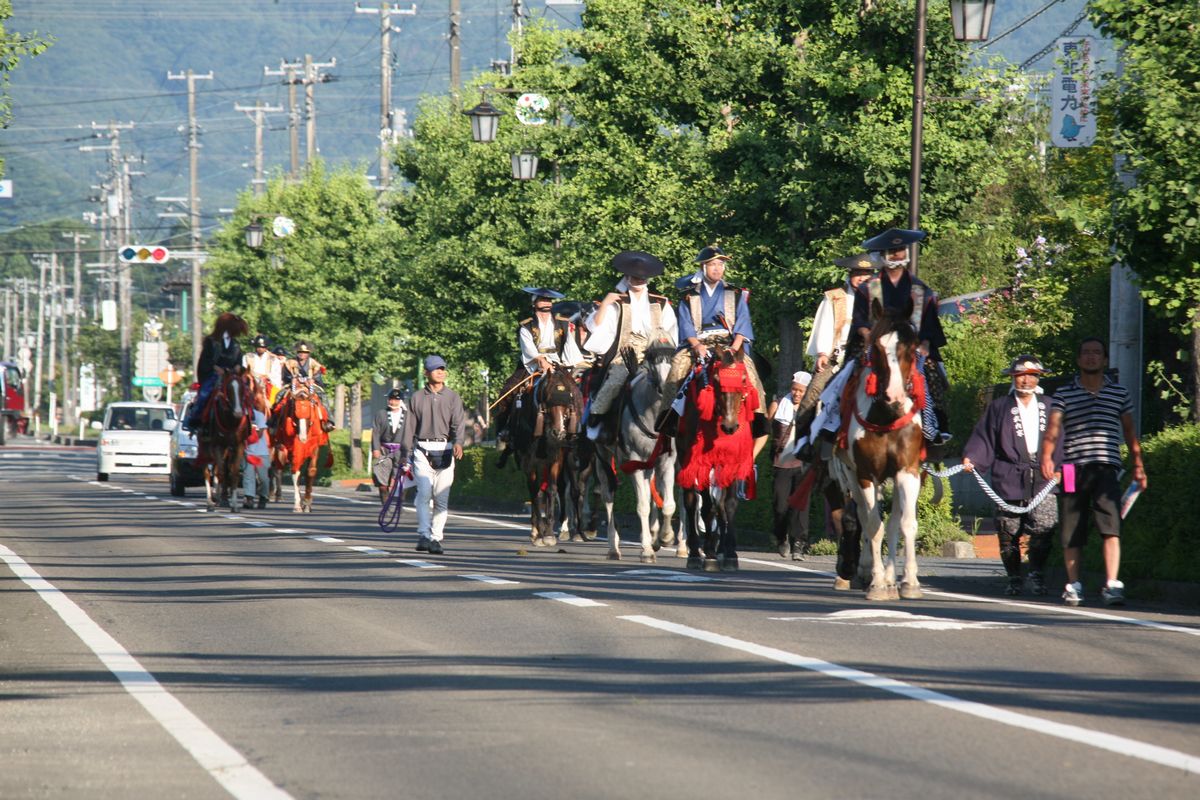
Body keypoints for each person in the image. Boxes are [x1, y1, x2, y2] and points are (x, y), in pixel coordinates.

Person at [806, 228, 948, 452]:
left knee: (934, 376)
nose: (897, 256)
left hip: (910, 347)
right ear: (883, 257)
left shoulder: (920, 289)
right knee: (837, 382)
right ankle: (828, 428)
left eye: (900, 251)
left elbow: (929, 326)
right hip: (873, 346)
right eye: (892, 252)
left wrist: (923, 345)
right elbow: (860, 324)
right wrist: (873, 338)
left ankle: (935, 429)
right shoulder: (867, 289)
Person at [1040, 338, 1147, 607]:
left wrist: (1138, 465)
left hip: (1107, 466)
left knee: (1111, 527)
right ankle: (1074, 585)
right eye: (1085, 352)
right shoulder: (1064, 393)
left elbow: (1130, 433)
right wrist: (1046, 457)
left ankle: (1112, 584)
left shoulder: (1119, 393)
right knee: (1072, 527)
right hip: (1071, 468)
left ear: (1105, 360)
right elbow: (1052, 430)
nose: (1091, 357)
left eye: (1096, 353)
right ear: (1078, 360)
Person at [962, 355, 1062, 596]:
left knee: (1045, 526)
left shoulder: (1051, 405)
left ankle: (1037, 574)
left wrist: (1062, 468)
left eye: (1031, 375)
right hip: (1009, 474)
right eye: (1021, 375)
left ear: (1039, 377)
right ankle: (1014, 578)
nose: (1026, 380)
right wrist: (972, 457)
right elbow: (984, 437)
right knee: (1008, 530)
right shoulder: (999, 407)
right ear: (1013, 377)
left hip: (1044, 475)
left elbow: (1063, 440)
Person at [583, 251, 678, 435]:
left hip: (656, 352)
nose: (638, 281)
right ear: (627, 277)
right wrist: (604, 304)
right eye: (634, 278)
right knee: (615, 380)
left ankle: (675, 421)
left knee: (673, 382)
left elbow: (670, 331)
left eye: (642, 278)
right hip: (625, 352)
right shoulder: (617, 302)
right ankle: (597, 415)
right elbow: (595, 326)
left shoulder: (661, 303)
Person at [665, 245, 764, 416]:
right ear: (703, 267)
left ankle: (759, 418)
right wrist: (696, 345)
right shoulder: (689, 295)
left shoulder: (735, 293)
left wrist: (735, 348)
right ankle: (668, 417)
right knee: (676, 369)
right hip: (698, 344)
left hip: (729, 344)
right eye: (712, 265)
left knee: (751, 373)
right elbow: (686, 323)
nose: (717, 268)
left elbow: (743, 322)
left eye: (720, 264)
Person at [793, 252, 879, 438]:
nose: (862, 277)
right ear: (850, 274)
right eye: (858, 273)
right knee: (813, 394)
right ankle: (803, 441)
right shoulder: (834, 297)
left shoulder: (879, 298)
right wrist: (823, 353)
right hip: (837, 358)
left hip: (870, 355)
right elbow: (824, 326)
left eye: (867, 273)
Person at [493, 287, 586, 455]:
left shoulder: (563, 323)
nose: (546, 303)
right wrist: (540, 360)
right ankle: (504, 430)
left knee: (576, 392)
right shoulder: (526, 326)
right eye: (543, 300)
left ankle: (578, 430)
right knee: (506, 392)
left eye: (549, 300)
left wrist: (574, 363)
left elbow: (569, 347)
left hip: (558, 365)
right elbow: (528, 350)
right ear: (534, 303)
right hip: (531, 366)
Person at [403, 355, 465, 554]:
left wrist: (459, 442)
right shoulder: (417, 397)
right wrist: (405, 454)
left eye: (443, 369)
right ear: (426, 373)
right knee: (424, 494)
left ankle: (436, 538)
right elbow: (409, 428)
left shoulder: (453, 397)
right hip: (422, 450)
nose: (441, 372)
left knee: (441, 498)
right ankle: (423, 535)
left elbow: (458, 423)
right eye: (436, 369)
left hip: (446, 450)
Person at [769, 371, 814, 560]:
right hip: (782, 462)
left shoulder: (813, 409)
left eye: (801, 391)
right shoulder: (778, 405)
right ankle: (781, 537)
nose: (796, 394)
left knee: (801, 507)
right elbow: (765, 428)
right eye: (794, 390)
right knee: (780, 505)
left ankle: (799, 544)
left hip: (803, 464)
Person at [184, 312, 249, 432]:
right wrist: (215, 368)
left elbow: (239, 360)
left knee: (245, 391)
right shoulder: (211, 341)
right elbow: (205, 360)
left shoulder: (236, 344)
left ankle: (250, 419)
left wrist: (238, 367)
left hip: (231, 375)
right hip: (215, 374)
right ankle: (195, 419)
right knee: (204, 393)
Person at [371, 387, 410, 504]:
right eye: (391, 399)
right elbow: (376, 432)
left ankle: (400, 502)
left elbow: (412, 434)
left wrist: (410, 450)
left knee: (401, 479)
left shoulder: (408, 416)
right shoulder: (381, 414)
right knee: (381, 480)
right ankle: (385, 502)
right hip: (384, 450)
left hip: (401, 451)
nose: (393, 402)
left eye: (396, 400)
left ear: (401, 401)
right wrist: (376, 448)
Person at [242, 386, 271, 510]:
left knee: (264, 478)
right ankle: (249, 498)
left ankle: (264, 497)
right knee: (248, 476)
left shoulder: (259, 416)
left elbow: (259, 434)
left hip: (261, 453)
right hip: (248, 453)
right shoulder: (241, 417)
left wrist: (246, 436)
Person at [243, 334, 284, 404]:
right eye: (258, 346)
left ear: (266, 348)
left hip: (267, 383)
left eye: (262, 347)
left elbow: (276, 374)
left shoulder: (273, 359)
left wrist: (267, 376)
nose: (260, 348)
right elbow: (244, 370)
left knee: (274, 401)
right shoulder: (247, 357)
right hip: (251, 382)